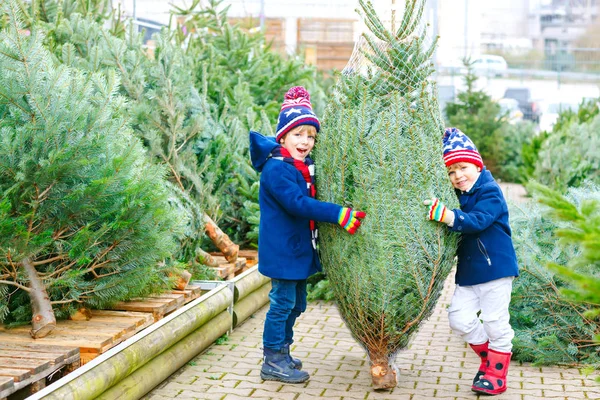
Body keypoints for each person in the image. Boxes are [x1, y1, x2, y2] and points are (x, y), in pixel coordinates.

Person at [249, 86, 366, 384]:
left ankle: (282, 350)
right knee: (282, 303)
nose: (305, 141)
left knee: (297, 304)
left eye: (310, 136)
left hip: (297, 250)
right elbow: (297, 204)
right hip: (283, 251)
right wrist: (337, 214)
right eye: (298, 134)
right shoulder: (276, 170)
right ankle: (272, 359)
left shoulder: (300, 166)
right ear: (283, 137)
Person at [423, 127, 519, 395]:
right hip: (469, 272)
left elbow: (478, 220)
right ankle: (490, 358)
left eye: (463, 167)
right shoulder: (460, 195)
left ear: (476, 164)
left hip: (495, 269)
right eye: (451, 172)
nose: (458, 176)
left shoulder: (490, 191)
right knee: (459, 318)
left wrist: (449, 216)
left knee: (494, 321)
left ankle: (497, 376)